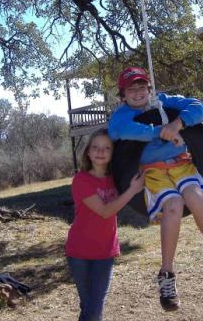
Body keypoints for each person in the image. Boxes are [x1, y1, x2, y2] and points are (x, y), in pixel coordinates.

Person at [108, 67, 203, 311]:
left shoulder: (164, 102)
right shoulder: (123, 115)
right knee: (173, 207)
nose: (138, 92)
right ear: (123, 95)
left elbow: (199, 107)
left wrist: (178, 123)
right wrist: (157, 131)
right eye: (132, 89)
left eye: (142, 87)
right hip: (153, 172)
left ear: (150, 89)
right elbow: (118, 130)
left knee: (195, 198)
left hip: (182, 165)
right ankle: (167, 274)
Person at [65, 128, 144, 321]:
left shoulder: (116, 179)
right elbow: (105, 211)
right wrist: (132, 190)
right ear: (88, 152)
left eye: (106, 148)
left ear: (112, 152)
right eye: (96, 147)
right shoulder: (81, 180)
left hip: (104, 252)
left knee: (94, 309)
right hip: (78, 253)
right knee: (89, 307)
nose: (101, 151)